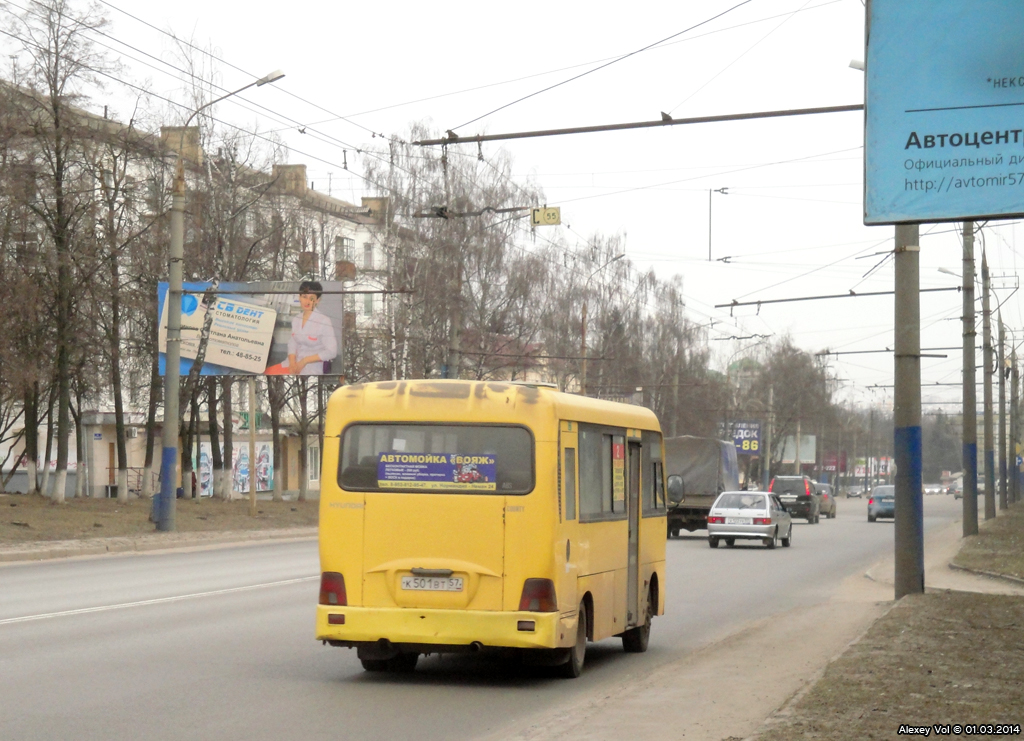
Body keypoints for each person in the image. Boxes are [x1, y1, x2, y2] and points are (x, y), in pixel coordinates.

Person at [266, 281, 338, 375]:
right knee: (267, 372)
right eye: (304, 297)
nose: (307, 301)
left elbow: (332, 352)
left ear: (317, 300)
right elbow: (292, 343)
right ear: (299, 297)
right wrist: (292, 363)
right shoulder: (296, 319)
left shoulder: (324, 321)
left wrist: (305, 361)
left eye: (311, 298)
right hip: (293, 364)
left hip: (312, 368)